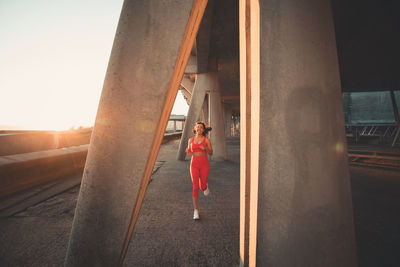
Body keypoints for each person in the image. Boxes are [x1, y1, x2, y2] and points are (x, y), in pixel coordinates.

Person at [185, 122, 213, 220]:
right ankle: (196, 211)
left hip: (204, 164)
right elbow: (190, 151)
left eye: (201, 127)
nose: (199, 129)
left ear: (203, 130)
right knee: (195, 187)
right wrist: (188, 151)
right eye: (198, 127)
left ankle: (205, 187)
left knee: (202, 186)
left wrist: (205, 148)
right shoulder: (190, 140)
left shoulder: (206, 140)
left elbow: (211, 152)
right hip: (194, 165)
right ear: (195, 128)